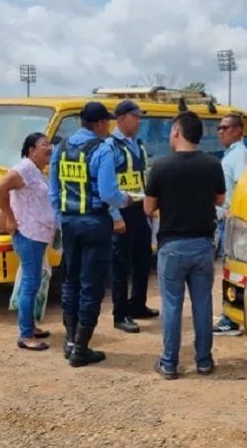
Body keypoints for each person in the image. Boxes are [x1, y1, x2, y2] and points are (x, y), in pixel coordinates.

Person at [144, 111, 226, 380]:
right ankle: (204, 360)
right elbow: (219, 199)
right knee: (203, 304)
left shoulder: (161, 166)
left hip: (172, 245)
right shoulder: (212, 165)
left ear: (177, 132)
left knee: (172, 306)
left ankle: (169, 363)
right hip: (203, 245)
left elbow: (149, 206)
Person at [49, 102, 129, 368]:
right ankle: (81, 348)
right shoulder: (102, 149)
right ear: (98, 124)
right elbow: (108, 193)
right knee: (91, 286)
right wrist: (124, 200)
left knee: (70, 282)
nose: (109, 127)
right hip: (95, 223)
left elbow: (54, 190)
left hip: (69, 222)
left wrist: (62, 219)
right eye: (107, 122)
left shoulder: (61, 147)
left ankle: (70, 341)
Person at [0, 133, 56, 351]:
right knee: (30, 284)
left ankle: (30, 325)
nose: (49, 147)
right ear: (31, 150)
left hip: (38, 234)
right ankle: (25, 335)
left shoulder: (37, 171)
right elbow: (0, 186)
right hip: (28, 234)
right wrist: (9, 216)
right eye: (44, 144)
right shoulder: (24, 168)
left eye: (50, 143)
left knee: (33, 282)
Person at [107, 99, 159, 334]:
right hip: (122, 211)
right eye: (135, 116)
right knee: (121, 265)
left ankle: (137, 304)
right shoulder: (110, 146)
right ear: (121, 118)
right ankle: (120, 314)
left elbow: (143, 177)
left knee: (142, 259)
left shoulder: (138, 145)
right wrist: (115, 215)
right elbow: (106, 185)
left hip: (139, 209)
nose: (139, 121)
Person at [212, 114, 247, 337]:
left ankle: (231, 319)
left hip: (230, 221)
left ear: (238, 130)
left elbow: (242, 188)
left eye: (225, 127)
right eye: (219, 127)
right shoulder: (231, 154)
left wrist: (232, 213)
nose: (220, 131)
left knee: (232, 270)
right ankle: (230, 314)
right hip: (224, 220)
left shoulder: (240, 155)